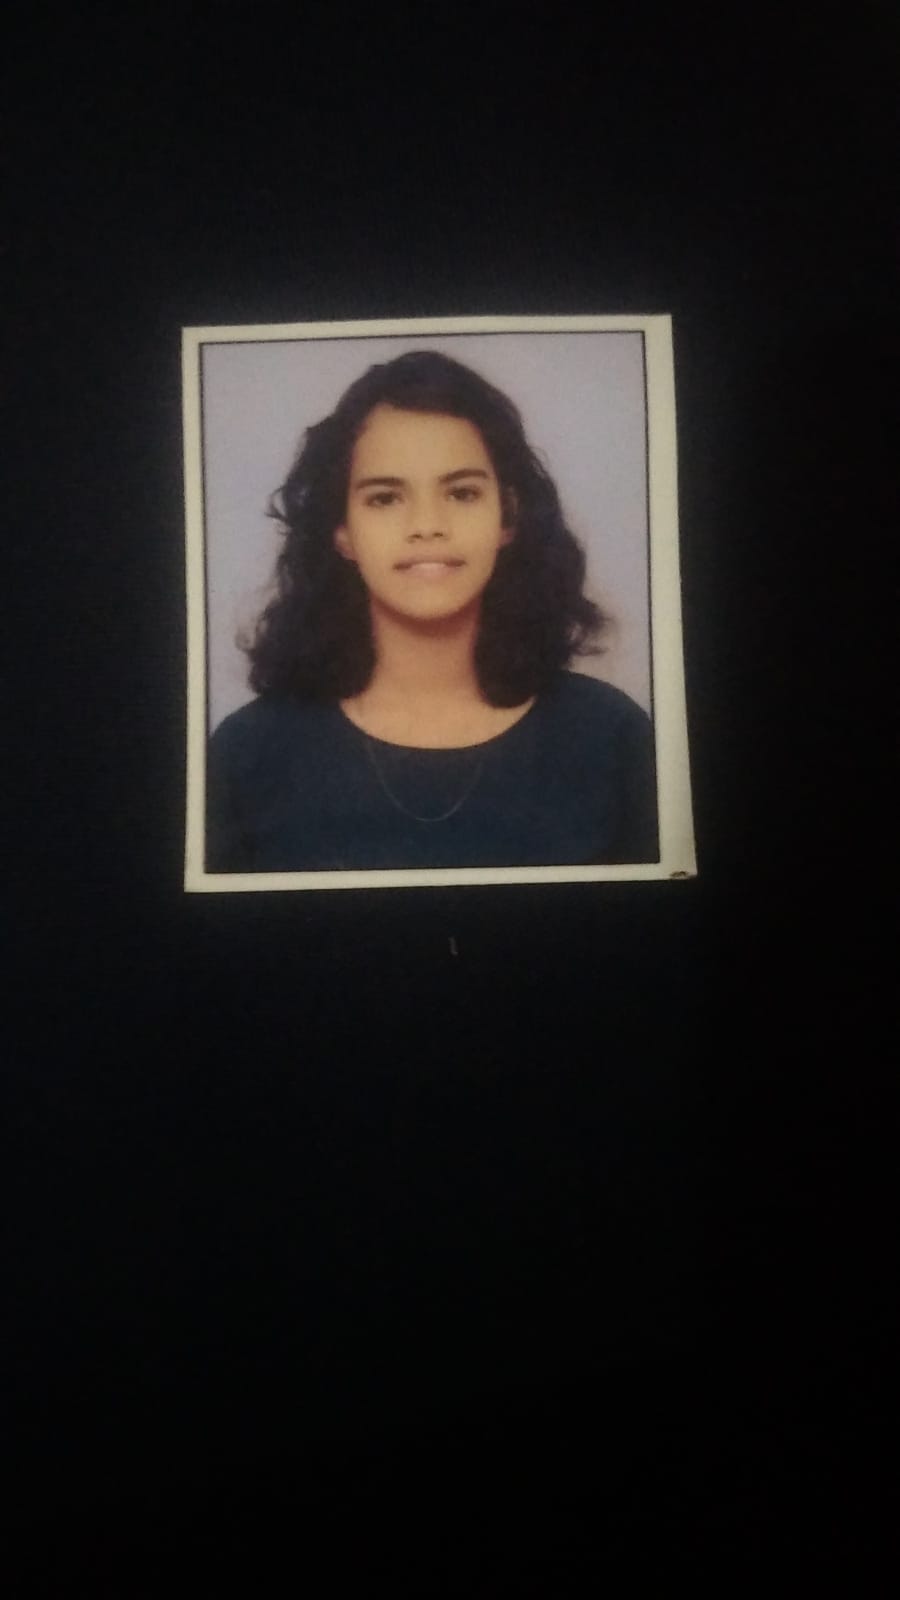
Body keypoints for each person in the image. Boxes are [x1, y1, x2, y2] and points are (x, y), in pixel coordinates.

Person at [206, 349, 658, 871]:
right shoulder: (248, 753)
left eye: (462, 493)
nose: (427, 525)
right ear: (342, 531)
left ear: (508, 517)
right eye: (385, 498)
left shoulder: (611, 737)